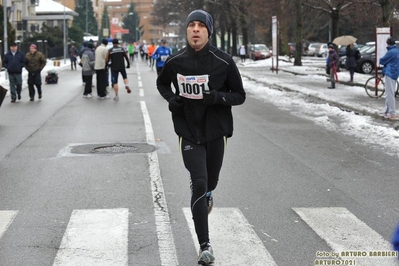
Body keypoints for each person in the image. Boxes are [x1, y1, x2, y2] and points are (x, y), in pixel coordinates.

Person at [156, 9, 246, 265]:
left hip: (216, 130)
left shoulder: (224, 61)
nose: (195, 29)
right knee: (199, 181)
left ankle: (208, 193)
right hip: (188, 131)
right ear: (186, 31)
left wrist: (217, 97)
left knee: (211, 182)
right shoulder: (176, 61)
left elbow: (239, 95)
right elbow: (162, 84)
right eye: (191, 25)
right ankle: (205, 245)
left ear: (208, 31)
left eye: (201, 26)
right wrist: (173, 100)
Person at [379, 37, 399, 120]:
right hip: (394, 73)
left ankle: (392, 112)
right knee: (389, 93)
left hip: (389, 73)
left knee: (389, 94)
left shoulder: (391, 52)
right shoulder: (397, 51)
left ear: (388, 43)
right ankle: (387, 110)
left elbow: (382, 61)